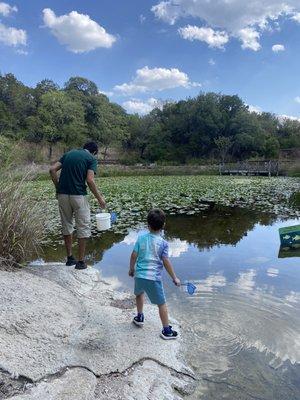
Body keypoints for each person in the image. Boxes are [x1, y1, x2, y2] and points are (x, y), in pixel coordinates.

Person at [49, 141, 106, 270]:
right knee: (83, 226)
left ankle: (70, 258)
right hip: (79, 196)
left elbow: (52, 170)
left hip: (63, 195)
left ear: (83, 147)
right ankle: (80, 262)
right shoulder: (91, 159)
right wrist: (100, 199)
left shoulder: (68, 154)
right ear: (94, 152)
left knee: (66, 225)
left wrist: (58, 187)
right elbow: (90, 180)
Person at [128, 209, 181, 340]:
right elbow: (166, 261)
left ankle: (139, 317)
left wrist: (131, 269)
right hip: (153, 278)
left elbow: (134, 255)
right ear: (163, 226)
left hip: (140, 275)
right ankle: (167, 330)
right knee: (161, 303)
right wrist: (174, 277)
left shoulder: (141, 239)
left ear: (148, 225)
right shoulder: (163, 244)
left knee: (139, 294)